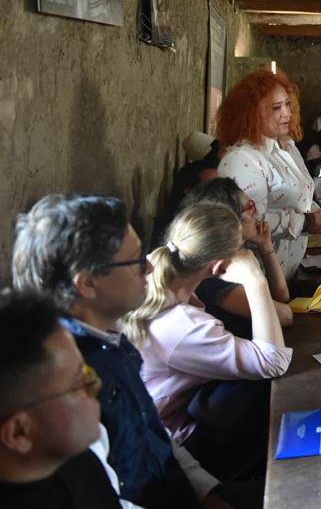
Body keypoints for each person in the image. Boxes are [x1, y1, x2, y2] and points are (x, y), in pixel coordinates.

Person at [10, 195, 236, 509]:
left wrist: (206, 490)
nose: (148, 265)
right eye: (133, 259)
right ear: (87, 283)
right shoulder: (66, 376)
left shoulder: (114, 338)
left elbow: (151, 428)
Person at [124, 204, 292, 480]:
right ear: (219, 265)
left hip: (161, 419)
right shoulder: (182, 326)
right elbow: (273, 361)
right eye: (241, 250)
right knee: (266, 392)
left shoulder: (153, 272)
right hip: (172, 444)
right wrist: (254, 280)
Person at [0, 290, 122, 509]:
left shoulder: (77, 460)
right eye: (78, 384)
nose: (96, 385)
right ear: (19, 433)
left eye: (87, 372)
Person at [217, 69, 321, 279]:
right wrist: (307, 222)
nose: (287, 113)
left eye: (287, 104)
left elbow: (300, 197)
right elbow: (249, 223)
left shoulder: (287, 147)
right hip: (258, 278)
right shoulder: (243, 159)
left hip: (288, 271)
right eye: (276, 108)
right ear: (252, 114)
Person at [179, 178, 294, 339]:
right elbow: (284, 315)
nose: (257, 213)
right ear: (229, 218)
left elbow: (282, 297)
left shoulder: (235, 256)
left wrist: (266, 248)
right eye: (250, 208)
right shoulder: (213, 273)